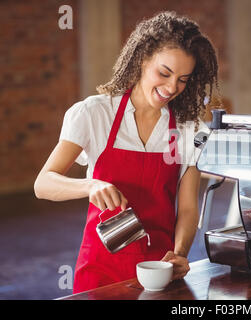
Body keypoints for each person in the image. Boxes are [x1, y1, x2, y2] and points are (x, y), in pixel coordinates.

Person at [34, 11, 219, 294]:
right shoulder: (95, 113)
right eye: (164, 73)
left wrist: (180, 253)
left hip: (159, 272)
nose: (172, 88)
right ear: (143, 59)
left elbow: (188, 209)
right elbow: (43, 184)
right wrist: (90, 185)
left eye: (183, 79)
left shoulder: (190, 130)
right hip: (99, 269)